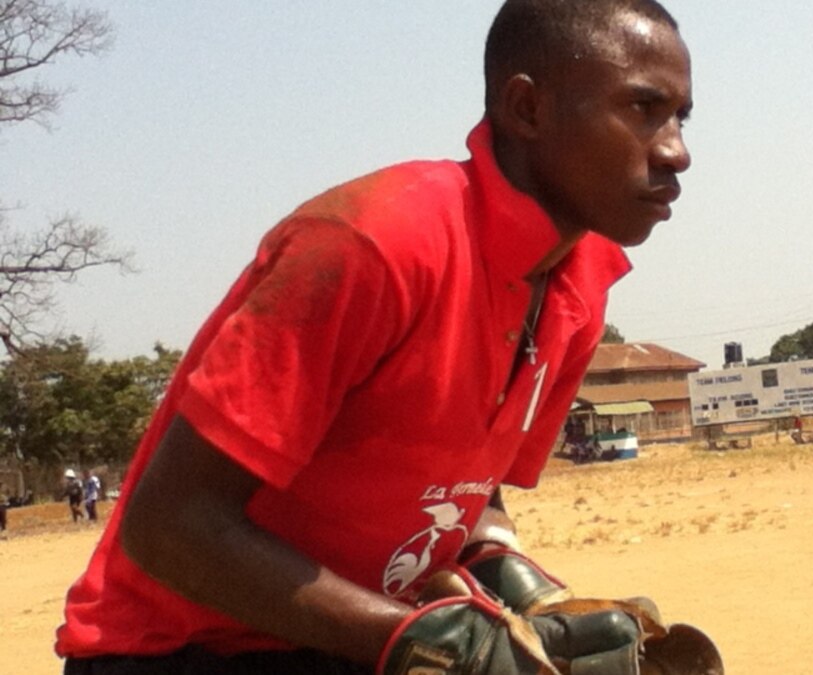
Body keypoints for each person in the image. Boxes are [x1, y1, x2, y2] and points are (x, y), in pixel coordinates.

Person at [56, 1, 692, 673]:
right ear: (527, 108)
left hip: (344, 641)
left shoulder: (579, 283)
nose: (676, 149)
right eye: (643, 109)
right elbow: (169, 524)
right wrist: (443, 649)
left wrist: (513, 580)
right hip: (178, 651)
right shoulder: (377, 243)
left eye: (682, 117)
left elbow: (465, 492)